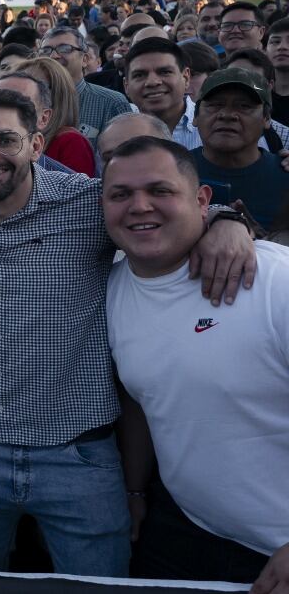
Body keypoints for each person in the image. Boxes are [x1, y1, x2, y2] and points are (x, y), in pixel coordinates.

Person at [0, 87, 255, 576]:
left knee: (98, 584)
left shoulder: (85, 202)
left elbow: (163, 213)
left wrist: (227, 220)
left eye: (5, 140)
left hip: (77, 454)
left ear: (37, 145)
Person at [102, 137, 289, 583]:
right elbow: (145, 399)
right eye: (120, 195)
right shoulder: (110, 288)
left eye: (160, 191)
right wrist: (133, 489)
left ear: (203, 199)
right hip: (186, 529)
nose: (140, 206)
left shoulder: (273, 281)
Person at [191, 68, 289, 229]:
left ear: (267, 119)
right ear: (195, 116)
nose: (227, 115)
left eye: (244, 106)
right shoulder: (173, 172)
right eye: (215, 105)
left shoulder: (285, 177)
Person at [40, 27, 132, 142]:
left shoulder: (111, 103)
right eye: (45, 51)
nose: (53, 56)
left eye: (64, 49)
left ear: (85, 59)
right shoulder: (30, 102)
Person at [9, 59, 97, 176]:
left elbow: (78, 192)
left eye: (37, 85)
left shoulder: (71, 141)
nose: (22, 92)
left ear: (57, 95)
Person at [124, 37, 201, 149]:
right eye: (139, 75)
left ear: (186, 77)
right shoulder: (117, 133)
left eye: (165, 72)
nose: (152, 82)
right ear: (126, 86)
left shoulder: (210, 125)